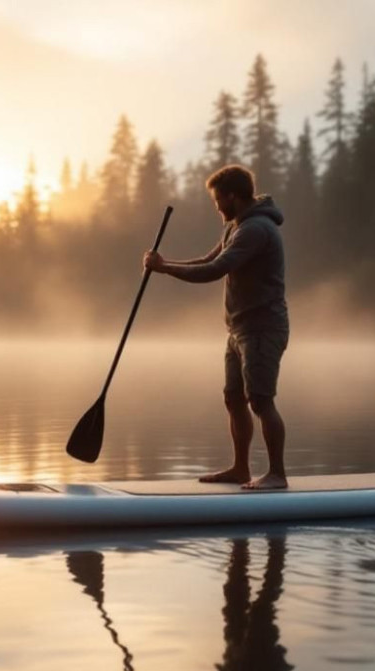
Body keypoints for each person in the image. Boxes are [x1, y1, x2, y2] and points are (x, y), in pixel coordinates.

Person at [142, 165, 289, 490]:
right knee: (234, 399)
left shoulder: (256, 230)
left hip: (263, 329)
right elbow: (206, 259)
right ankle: (240, 469)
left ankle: (277, 474)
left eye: (218, 200)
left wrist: (165, 270)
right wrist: (164, 264)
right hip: (239, 330)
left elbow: (215, 270)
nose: (217, 206)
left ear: (234, 197)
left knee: (261, 401)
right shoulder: (237, 226)